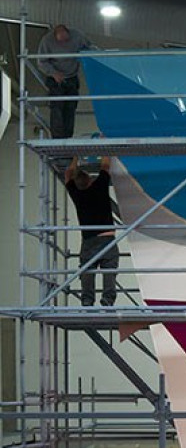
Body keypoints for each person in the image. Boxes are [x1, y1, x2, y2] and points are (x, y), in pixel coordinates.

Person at [65, 156, 118, 306]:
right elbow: (105, 166)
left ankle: (87, 300)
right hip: (107, 238)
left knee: (87, 271)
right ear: (89, 180)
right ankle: (108, 299)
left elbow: (68, 174)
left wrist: (75, 157)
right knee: (109, 270)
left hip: (88, 241)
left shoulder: (76, 194)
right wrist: (104, 148)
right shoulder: (99, 187)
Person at [37, 24, 93, 139]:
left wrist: (101, 55)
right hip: (55, 79)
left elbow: (90, 47)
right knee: (57, 108)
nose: (64, 43)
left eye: (66, 40)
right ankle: (57, 137)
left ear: (68, 33)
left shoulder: (77, 36)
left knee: (70, 108)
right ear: (55, 36)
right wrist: (53, 73)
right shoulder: (47, 41)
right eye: (60, 41)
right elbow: (41, 62)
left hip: (72, 77)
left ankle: (67, 136)